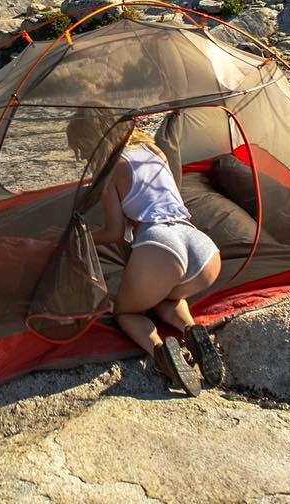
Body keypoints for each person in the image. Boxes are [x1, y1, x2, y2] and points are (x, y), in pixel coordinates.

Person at [93, 124, 224, 396]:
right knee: (165, 296)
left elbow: (114, 232)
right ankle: (190, 330)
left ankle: (160, 352)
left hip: (160, 244)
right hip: (202, 249)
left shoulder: (110, 170)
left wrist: (82, 238)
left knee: (127, 312)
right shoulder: (155, 150)